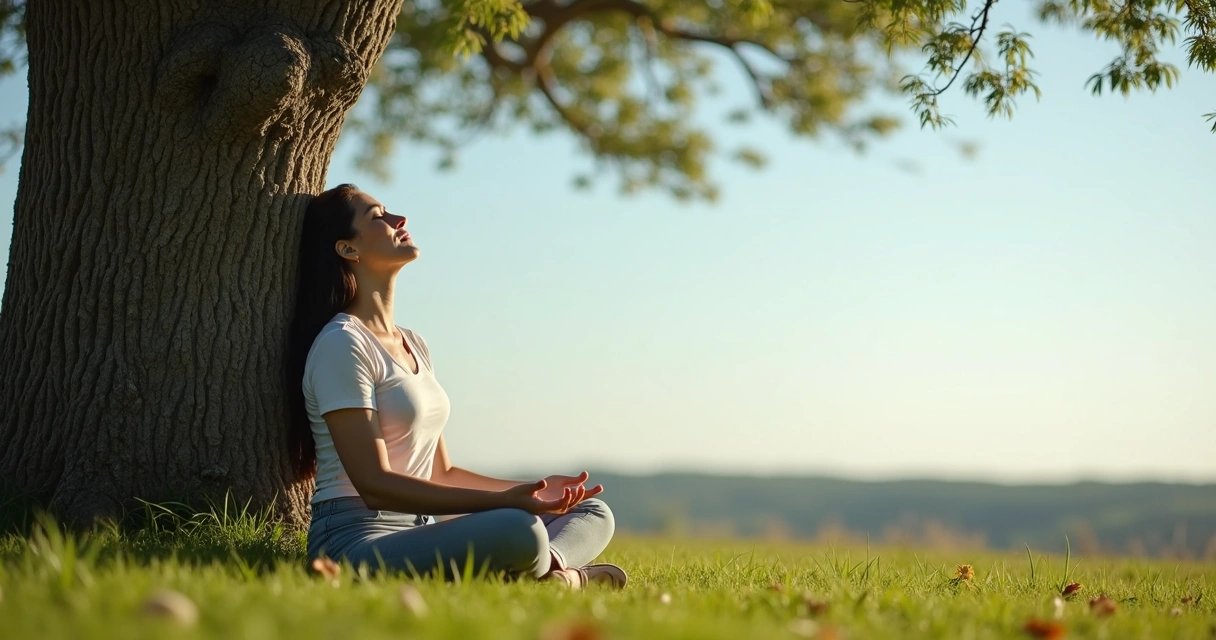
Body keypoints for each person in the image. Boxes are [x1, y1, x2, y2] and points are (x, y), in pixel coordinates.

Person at [286, 184, 625, 588]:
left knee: (592, 512)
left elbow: (441, 473)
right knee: (518, 529)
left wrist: (532, 490)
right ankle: (565, 579)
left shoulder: (415, 343)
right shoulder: (343, 344)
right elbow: (374, 485)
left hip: (423, 527)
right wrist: (504, 502)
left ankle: (550, 576)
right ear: (348, 250)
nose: (399, 220)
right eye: (378, 217)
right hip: (358, 538)